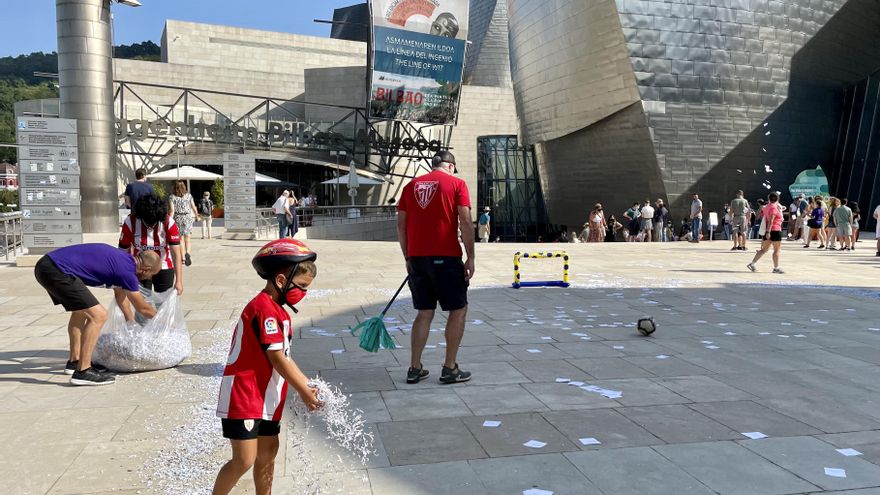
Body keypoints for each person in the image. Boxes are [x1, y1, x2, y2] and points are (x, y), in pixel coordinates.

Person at [212, 238, 322, 495]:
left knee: (268, 452)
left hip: (267, 397)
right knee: (244, 459)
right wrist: (304, 390)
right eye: (301, 286)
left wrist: (308, 384)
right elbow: (277, 359)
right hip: (245, 395)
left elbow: (284, 355)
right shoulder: (264, 309)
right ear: (281, 281)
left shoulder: (279, 312)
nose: (303, 293)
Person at [397, 150, 474, 385]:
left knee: (424, 312)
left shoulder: (410, 187)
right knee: (458, 310)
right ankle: (450, 368)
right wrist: (470, 256)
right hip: (446, 256)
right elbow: (466, 221)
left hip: (418, 259)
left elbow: (401, 226)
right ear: (451, 166)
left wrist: (408, 257)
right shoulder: (457, 184)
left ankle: (414, 367)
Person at [34, 244, 161, 385]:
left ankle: (75, 361)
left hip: (46, 265)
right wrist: (162, 321)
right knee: (98, 316)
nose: (151, 277)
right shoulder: (128, 272)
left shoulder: (125, 261)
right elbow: (143, 308)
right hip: (57, 270)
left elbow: (121, 296)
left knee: (80, 311)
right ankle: (83, 371)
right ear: (146, 269)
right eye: (153, 274)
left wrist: (130, 323)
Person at [119, 194, 184, 295]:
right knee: (142, 305)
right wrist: (123, 276)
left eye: (154, 223)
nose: (150, 227)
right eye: (146, 223)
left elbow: (176, 253)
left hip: (164, 266)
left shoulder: (169, 223)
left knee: (163, 304)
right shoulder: (130, 222)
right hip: (140, 267)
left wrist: (179, 281)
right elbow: (123, 252)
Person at [748, 192, 785, 274]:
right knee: (776, 250)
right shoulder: (774, 208)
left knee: (764, 249)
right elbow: (771, 221)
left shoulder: (766, 207)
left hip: (767, 231)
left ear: (769, 199)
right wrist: (768, 232)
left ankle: (752, 263)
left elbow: (764, 215)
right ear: (777, 199)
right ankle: (776, 268)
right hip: (775, 230)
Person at [169, 181, 199, 266]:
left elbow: (172, 210)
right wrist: (196, 215)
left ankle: (183, 258)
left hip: (178, 218)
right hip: (188, 217)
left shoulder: (172, 197)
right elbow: (193, 207)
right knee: (188, 237)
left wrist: (170, 221)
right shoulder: (189, 196)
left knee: (180, 239)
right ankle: (188, 253)